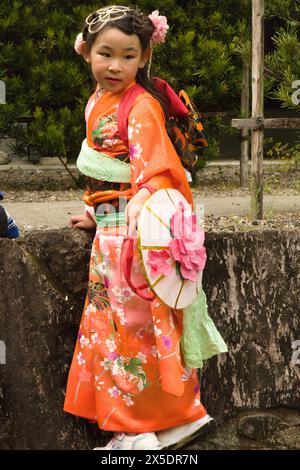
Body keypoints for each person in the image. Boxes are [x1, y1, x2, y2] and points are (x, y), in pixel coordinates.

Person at [63, 5, 227, 451]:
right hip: (112, 233)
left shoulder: (140, 106)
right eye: (106, 53)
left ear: (144, 58)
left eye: (128, 56)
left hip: (135, 239)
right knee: (135, 332)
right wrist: (96, 212)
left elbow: (155, 169)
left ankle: (135, 432)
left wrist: (139, 198)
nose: (116, 66)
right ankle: (171, 418)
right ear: (86, 51)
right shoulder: (97, 102)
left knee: (128, 335)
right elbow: (105, 169)